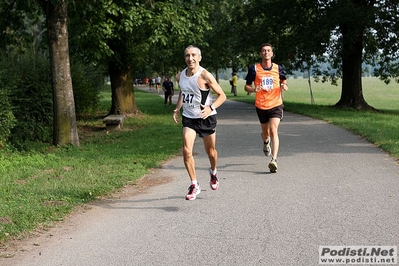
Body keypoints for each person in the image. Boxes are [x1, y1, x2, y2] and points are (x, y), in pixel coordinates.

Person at [173, 45, 227, 200]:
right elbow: (184, 92)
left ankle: (214, 171)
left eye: (193, 55)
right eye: (187, 55)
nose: (190, 58)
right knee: (187, 150)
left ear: (199, 57)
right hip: (189, 118)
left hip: (206, 117)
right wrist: (177, 109)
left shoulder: (205, 75)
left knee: (211, 152)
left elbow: (222, 96)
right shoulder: (180, 75)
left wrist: (211, 108)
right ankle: (194, 184)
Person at [244, 43, 288, 173]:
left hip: (276, 104)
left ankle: (274, 160)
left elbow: (283, 80)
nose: (266, 53)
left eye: (268, 50)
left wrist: (284, 85)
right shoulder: (255, 69)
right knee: (266, 133)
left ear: (272, 53)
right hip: (261, 105)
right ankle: (265, 142)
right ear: (260, 54)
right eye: (263, 51)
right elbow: (246, 86)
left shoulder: (278, 68)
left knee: (274, 129)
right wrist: (253, 89)